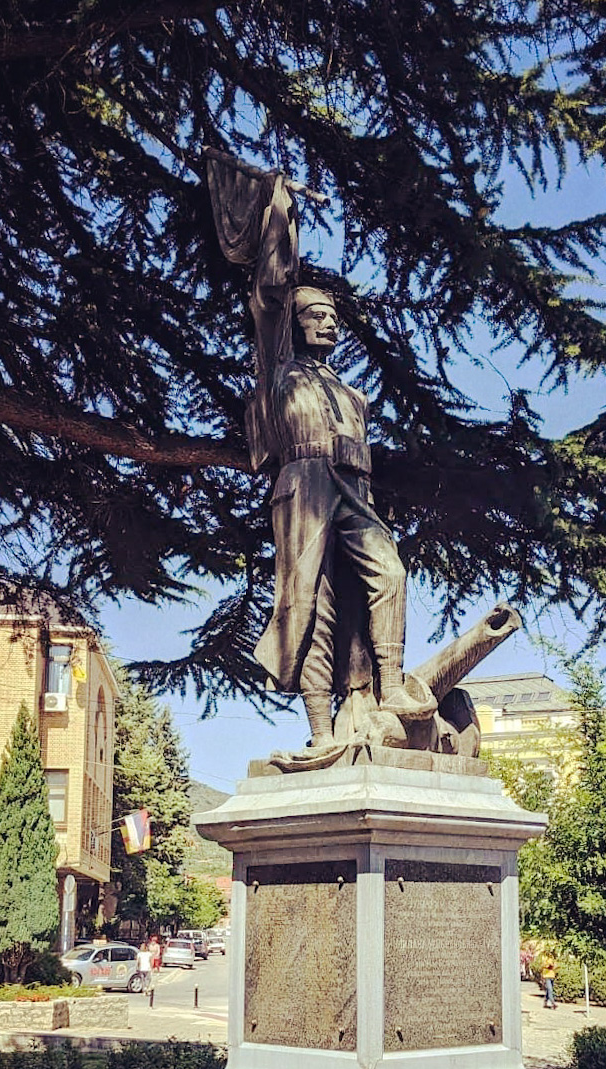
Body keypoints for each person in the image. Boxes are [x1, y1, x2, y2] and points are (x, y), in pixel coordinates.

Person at [207, 157, 433, 755]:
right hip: (304, 486)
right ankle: (320, 733)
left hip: (354, 487)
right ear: (296, 324)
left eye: (333, 318)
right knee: (312, 607)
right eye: (316, 316)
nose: (327, 325)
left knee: (388, 574)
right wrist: (279, 205)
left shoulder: (352, 394)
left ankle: (389, 692)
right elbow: (271, 289)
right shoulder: (278, 365)